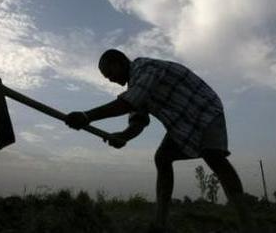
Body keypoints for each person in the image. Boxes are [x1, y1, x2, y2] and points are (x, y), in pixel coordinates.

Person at [66, 49, 254, 233]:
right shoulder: (135, 85)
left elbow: (128, 103)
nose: (110, 79)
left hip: (205, 110)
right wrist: (123, 136)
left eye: (110, 73)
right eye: (106, 77)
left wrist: (86, 116)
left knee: (214, 157)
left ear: (120, 62)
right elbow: (138, 121)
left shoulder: (145, 68)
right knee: (162, 158)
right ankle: (160, 224)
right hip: (181, 122)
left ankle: (247, 224)